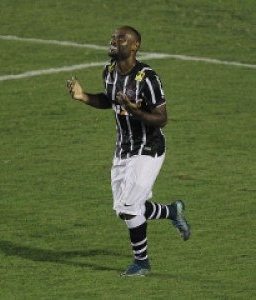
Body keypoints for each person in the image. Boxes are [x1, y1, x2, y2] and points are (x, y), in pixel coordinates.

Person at [66, 26, 190, 276]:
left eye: (121, 38)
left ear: (135, 46)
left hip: (148, 148)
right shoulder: (109, 72)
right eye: (113, 37)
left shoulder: (148, 78)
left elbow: (162, 118)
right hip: (124, 149)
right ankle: (171, 211)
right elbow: (108, 100)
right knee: (125, 209)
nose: (114, 41)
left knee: (129, 207)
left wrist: (134, 110)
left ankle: (141, 263)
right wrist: (83, 97)